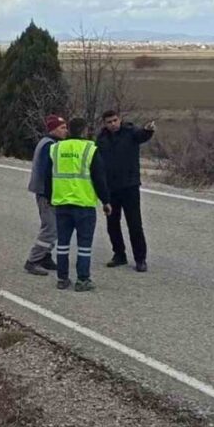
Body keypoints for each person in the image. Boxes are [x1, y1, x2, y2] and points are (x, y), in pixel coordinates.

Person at [45, 117, 111, 292]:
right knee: (84, 245)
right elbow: (99, 178)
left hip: (62, 203)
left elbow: (47, 176)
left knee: (63, 244)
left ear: (69, 130)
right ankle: (82, 279)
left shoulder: (56, 148)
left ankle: (62, 278)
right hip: (83, 204)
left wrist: (50, 197)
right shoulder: (90, 149)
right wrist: (106, 201)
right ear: (84, 130)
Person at [96, 110, 156, 272]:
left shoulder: (130, 132)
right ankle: (119, 254)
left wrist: (148, 130)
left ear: (119, 119)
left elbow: (142, 135)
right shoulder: (101, 139)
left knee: (135, 224)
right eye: (109, 122)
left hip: (130, 186)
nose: (113, 124)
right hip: (110, 188)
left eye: (115, 120)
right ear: (105, 123)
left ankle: (140, 259)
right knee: (112, 224)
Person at [24, 115, 69, 276]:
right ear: (53, 129)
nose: (66, 131)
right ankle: (33, 260)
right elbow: (47, 173)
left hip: (50, 193)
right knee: (50, 228)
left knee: (55, 227)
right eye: (62, 128)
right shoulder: (48, 146)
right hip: (46, 193)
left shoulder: (52, 143)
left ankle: (45, 256)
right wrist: (51, 195)